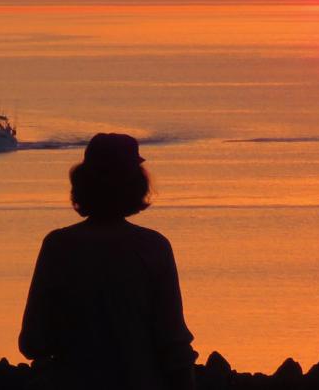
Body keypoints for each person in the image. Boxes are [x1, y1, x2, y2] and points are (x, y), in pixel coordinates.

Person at [19, 133, 198, 390]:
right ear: (137, 185)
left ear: (82, 182)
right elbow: (173, 340)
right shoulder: (153, 247)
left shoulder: (59, 246)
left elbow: (33, 341)